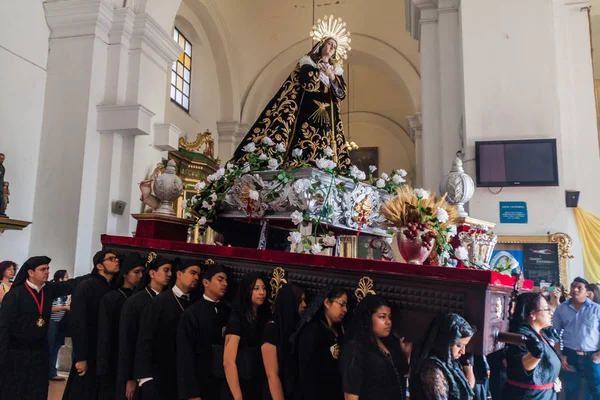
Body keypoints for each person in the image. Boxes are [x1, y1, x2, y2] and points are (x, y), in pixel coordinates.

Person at [229, 37, 352, 173]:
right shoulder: (308, 62)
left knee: (326, 142)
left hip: (329, 117)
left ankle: (326, 166)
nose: (332, 47)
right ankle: (299, 163)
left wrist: (332, 76)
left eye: (334, 46)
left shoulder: (336, 71)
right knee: (304, 138)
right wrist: (319, 71)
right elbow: (307, 83)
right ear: (322, 45)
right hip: (307, 112)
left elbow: (342, 94)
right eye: (329, 44)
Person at [0, 256, 86, 400]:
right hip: (16, 354)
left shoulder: (49, 289)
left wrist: (95, 274)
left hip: (40, 353)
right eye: (43, 269)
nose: (47, 272)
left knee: (37, 390)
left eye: (48, 269)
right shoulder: (15, 294)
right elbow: (3, 327)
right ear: (31, 273)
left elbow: (71, 284)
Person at [134, 259, 201, 400]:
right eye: (192, 273)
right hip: (156, 377)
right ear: (179, 274)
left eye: (198, 275)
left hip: (180, 380)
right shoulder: (158, 302)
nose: (196, 277)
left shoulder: (195, 305)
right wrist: (145, 378)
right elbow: (144, 340)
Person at [62, 250, 121, 400]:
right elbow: (79, 321)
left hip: (103, 352)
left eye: (116, 258)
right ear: (100, 266)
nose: (116, 261)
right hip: (88, 351)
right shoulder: (86, 286)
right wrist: (81, 357)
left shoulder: (113, 288)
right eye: (111, 259)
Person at [117, 255, 172, 400]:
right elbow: (127, 342)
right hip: (139, 373)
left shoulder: (169, 301)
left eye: (170, 271)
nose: (169, 274)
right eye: (165, 270)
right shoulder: (135, 302)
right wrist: (130, 377)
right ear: (152, 274)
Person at [340, 294, 409, 400]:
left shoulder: (389, 344)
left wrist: (405, 354)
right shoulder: (355, 348)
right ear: (368, 318)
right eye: (382, 317)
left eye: (389, 317)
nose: (388, 322)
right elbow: (351, 396)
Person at [96, 253, 145, 399]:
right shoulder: (111, 298)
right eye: (136, 272)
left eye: (142, 272)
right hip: (113, 359)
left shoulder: (143, 298)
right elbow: (104, 333)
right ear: (125, 274)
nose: (141, 276)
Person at [177, 264, 230, 400]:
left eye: (226, 280)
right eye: (220, 279)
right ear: (206, 282)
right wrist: (192, 393)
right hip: (199, 385)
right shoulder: (191, 314)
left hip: (222, 385)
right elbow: (185, 357)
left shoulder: (229, 311)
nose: (225, 284)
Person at [292, 286, 349, 400]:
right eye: (341, 304)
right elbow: (308, 374)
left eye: (346, 306)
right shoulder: (312, 331)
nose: (345, 310)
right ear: (327, 303)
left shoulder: (339, 330)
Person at [504, 292, 561, 399]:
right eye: (546, 309)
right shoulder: (521, 335)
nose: (551, 313)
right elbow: (522, 366)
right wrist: (536, 354)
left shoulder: (540, 333)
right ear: (532, 314)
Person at [222, 272, 270, 400]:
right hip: (238, 384)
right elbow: (228, 361)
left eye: (264, 288)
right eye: (256, 288)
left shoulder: (263, 316)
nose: (261, 293)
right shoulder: (237, 318)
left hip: (255, 381)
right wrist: (238, 397)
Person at [409, 313, 475, 400]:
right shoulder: (432, 368)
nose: (463, 352)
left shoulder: (450, 363)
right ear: (445, 342)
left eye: (464, 346)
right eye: (459, 345)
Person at [553, 277, 600, 399]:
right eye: (573, 286)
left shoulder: (596, 309)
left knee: (595, 390)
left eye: (580, 287)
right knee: (571, 390)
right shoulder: (561, 308)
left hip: (592, 356)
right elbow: (555, 333)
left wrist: (599, 355)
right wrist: (560, 355)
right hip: (569, 355)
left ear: (587, 292)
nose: (575, 289)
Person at [262, 283, 307, 400]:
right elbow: (272, 375)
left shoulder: (295, 328)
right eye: (300, 301)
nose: (304, 305)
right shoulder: (272, 329)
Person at [48, 269, 71, 381]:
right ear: (60, 278)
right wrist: (64, 307)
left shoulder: (66, 293)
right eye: (66, 277)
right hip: (51, 323)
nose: (67, 279)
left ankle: (52, 372)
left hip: (61, 323)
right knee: (49, 347)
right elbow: (47, 309)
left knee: (56, 347)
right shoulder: (52, 290)